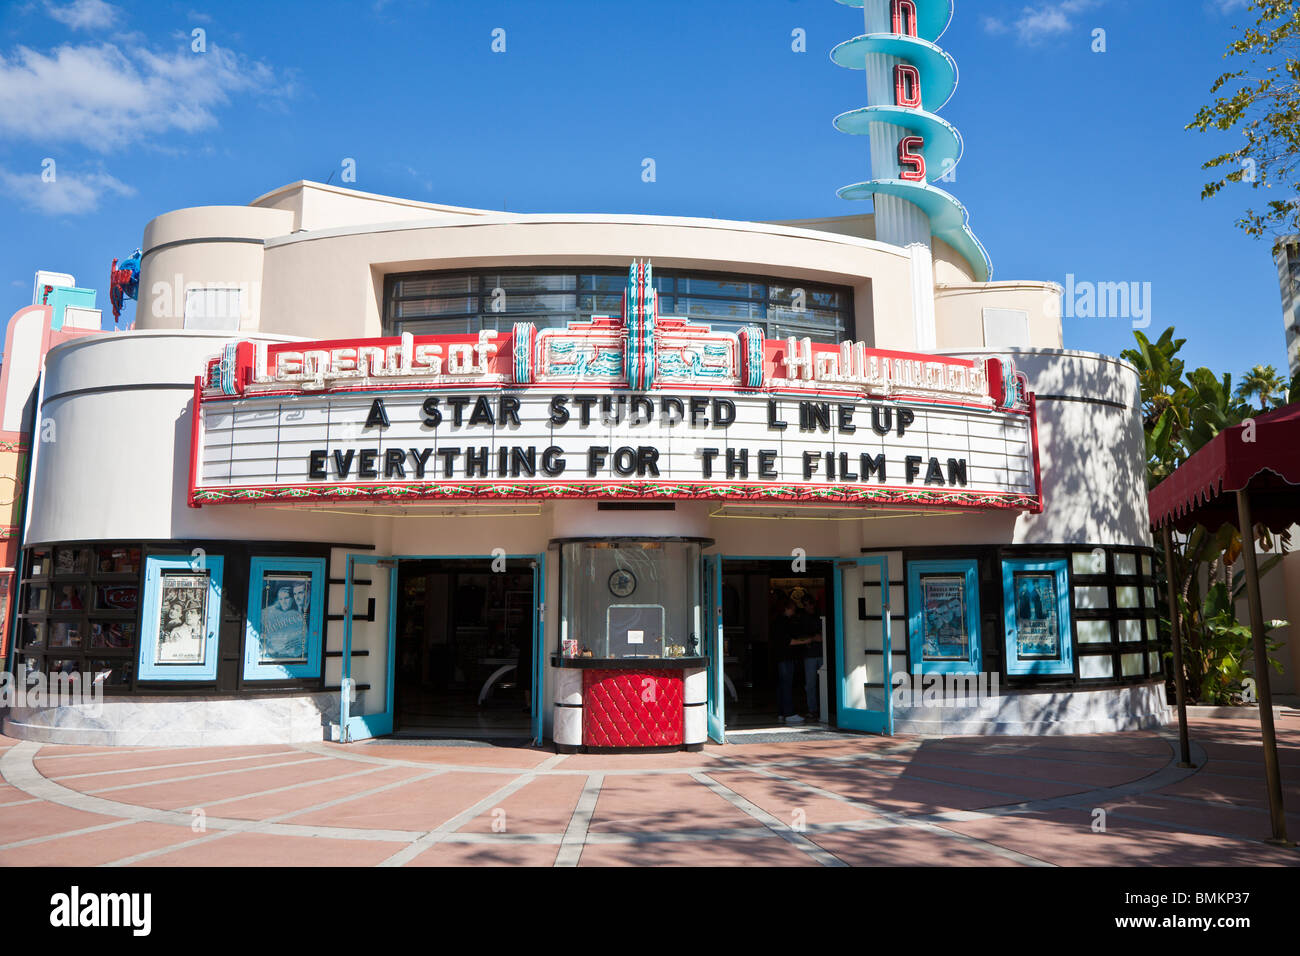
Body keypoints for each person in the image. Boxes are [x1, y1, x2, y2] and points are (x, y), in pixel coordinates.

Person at [772, 598, 803, 725]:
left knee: (782, 685)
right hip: (786, 657)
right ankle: (789, 713)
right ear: (787, 608)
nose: (793, 611)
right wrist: (808, 640)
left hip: (779, 657)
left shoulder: (776, 621)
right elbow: (788, 641)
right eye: (793, 609)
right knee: (787, 685)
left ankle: (781, 712)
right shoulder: (784, 622)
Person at [797, 596, 823, 722]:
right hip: (810, 654)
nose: (809, 606)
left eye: (810, 604)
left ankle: (823, 708)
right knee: (811, 684)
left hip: (820, 653)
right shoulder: (802, 618)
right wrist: (813, 638)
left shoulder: (820, 616)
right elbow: (799, 635)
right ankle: (813, 709)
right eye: (806, 604)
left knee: (822, 683)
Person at [262, 585, 305, 659]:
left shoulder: (298, 614)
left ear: (292, 599)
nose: (283, 602)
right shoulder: (271, 612)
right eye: (280, 599)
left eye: (286, 598)